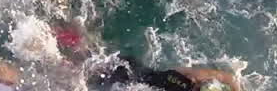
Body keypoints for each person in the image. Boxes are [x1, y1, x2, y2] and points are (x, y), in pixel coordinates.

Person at [95, 56, 240, 91]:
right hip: (122, 80)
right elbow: (228, 77)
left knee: (96, 57)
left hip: (132, 66)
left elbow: (228, 77)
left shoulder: (190, 76)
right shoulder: (190, 78)